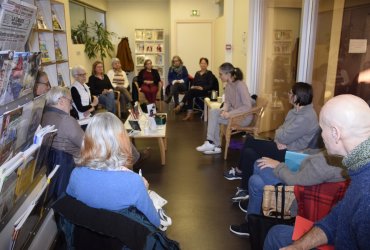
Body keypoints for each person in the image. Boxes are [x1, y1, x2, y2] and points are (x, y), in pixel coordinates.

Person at [265, 95, 370, 250]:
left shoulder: (366, 192)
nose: (321, 135)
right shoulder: (360, 167)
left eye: (322, 129)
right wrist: (299, 246)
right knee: (277, 234)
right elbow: (337, 218)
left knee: (275, 236)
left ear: (335, 133)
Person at [225, 82, 320, 202]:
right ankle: (244, 190)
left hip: (291, 154)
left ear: (297, 96)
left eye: (290, 93)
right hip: (283, 147)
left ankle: (239, 171)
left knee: (250, 141)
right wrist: (279, 138)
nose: (288, 95)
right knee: (249, 152)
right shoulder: (294, 112)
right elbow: (280, 131)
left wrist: (281, 137)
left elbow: (282, 134)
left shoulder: (306, 117)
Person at [66, 112, 160, 227]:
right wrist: (144, 190)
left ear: (88, 140)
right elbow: (155, 222)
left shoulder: (76, 175)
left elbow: (72, 206)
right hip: (125, 239)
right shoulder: (134, 182)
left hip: (90, 236)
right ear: (122, 141)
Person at [229, 152, 346, 237]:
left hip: (292, 200)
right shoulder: (343, 156)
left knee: (258, 163)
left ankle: (253, 221)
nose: (322, 132)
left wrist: (279, 165)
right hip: (303, 192)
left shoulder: (323, 164)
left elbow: (294, 180)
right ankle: (252, 223)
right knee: (255, 181)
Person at [196, 62, 252, 154]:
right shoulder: (228, 85)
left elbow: (247, 106)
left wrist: (229, 114)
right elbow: (227, 102)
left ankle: (215, 145)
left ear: (228, 74)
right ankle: (212, 143)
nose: (219, 76)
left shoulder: (241, 85)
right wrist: (223, 110)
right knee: (214, 111)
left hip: (243, 118)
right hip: (234, 115)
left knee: (215, 118)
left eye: (221, 74)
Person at [41, 86, 84, 158]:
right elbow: (88, 145)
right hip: (75, 163)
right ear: (61, 101)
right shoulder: (66, 120)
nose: (71, 107)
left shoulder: (42, 117)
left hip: (53, 165)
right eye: (70, 102)